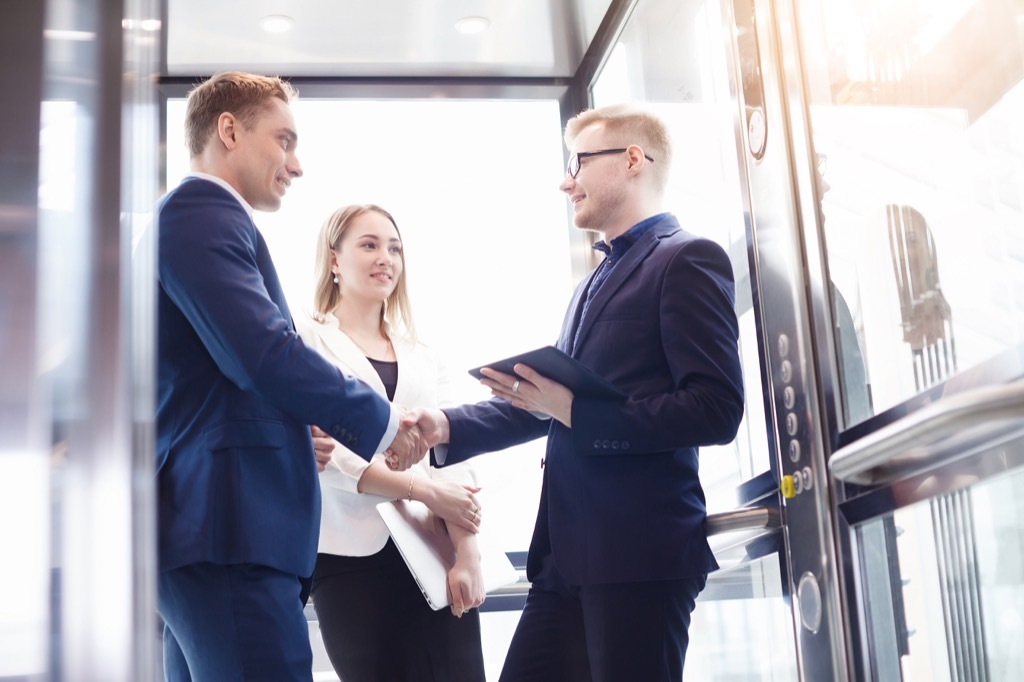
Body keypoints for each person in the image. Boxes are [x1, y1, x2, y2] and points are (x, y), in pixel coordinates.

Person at [412, 104, 745, 681]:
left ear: (633, 160)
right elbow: (548, 400)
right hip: (566, 559)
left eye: (579, 163)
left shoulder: (687, 258)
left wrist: (575, 411)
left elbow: (715, 409)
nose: (567, 181)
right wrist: (447, 426)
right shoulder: (595, 280)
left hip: (638, 556)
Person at [156, 72, 427, 682]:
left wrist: (289, 429)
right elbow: (262, 352)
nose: (295, 164)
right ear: (229, 130)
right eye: (284, 140)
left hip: (210, 528)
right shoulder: (202, 213)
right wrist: (380, 422)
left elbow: (208, 383)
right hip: (229, 528)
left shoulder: (193, 221)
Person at [294, 204, 488, 680]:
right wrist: (418, 489)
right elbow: (327, 453)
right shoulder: (305, 341)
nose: (386, 258)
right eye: (369, 245)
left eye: (395, 248)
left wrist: (468, 553)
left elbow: (451, 456)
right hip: (347, 555)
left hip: (431, 547)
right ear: (334, 260)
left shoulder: (423, 353)